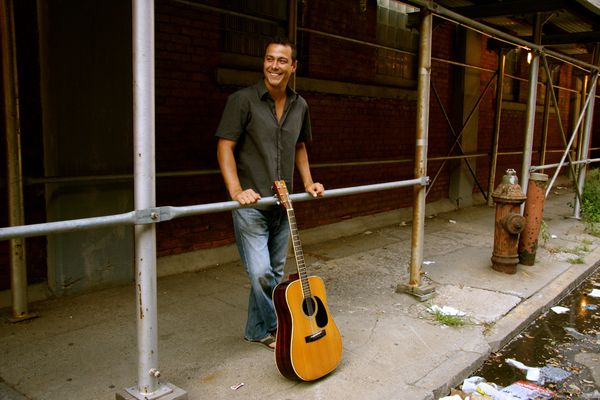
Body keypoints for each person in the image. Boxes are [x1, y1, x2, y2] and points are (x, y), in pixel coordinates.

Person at [215, 38, 324, 350]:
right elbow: (225, 146)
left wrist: (308, 182)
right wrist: (235, 190)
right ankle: (283, 330)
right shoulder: (243, 101)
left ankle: (255, 331)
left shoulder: (299, 105)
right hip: (252, 205)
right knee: (262, 272)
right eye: (269, 59)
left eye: (281, 61)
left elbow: (300, 145)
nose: (274, 66)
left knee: (274, 273)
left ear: (293, 66)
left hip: (283, 203)